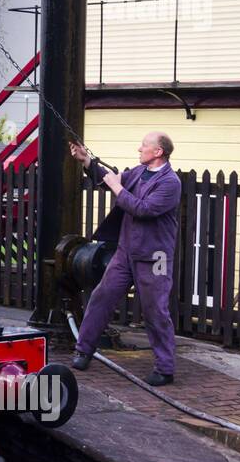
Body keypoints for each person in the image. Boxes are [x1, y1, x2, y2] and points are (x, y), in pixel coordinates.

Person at [69, 132, 182, 385]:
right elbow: (110, 179)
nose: (138, 148)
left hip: (155, 257)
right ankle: (84, 350)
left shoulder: (170, 183)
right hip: (126, 252)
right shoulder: (139, 172)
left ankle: (165, 368)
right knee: (101, 297)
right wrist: (86, 161)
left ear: (158, 152)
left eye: (144, 146)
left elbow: (143, 209)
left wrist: (117, 188)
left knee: (156, 312)